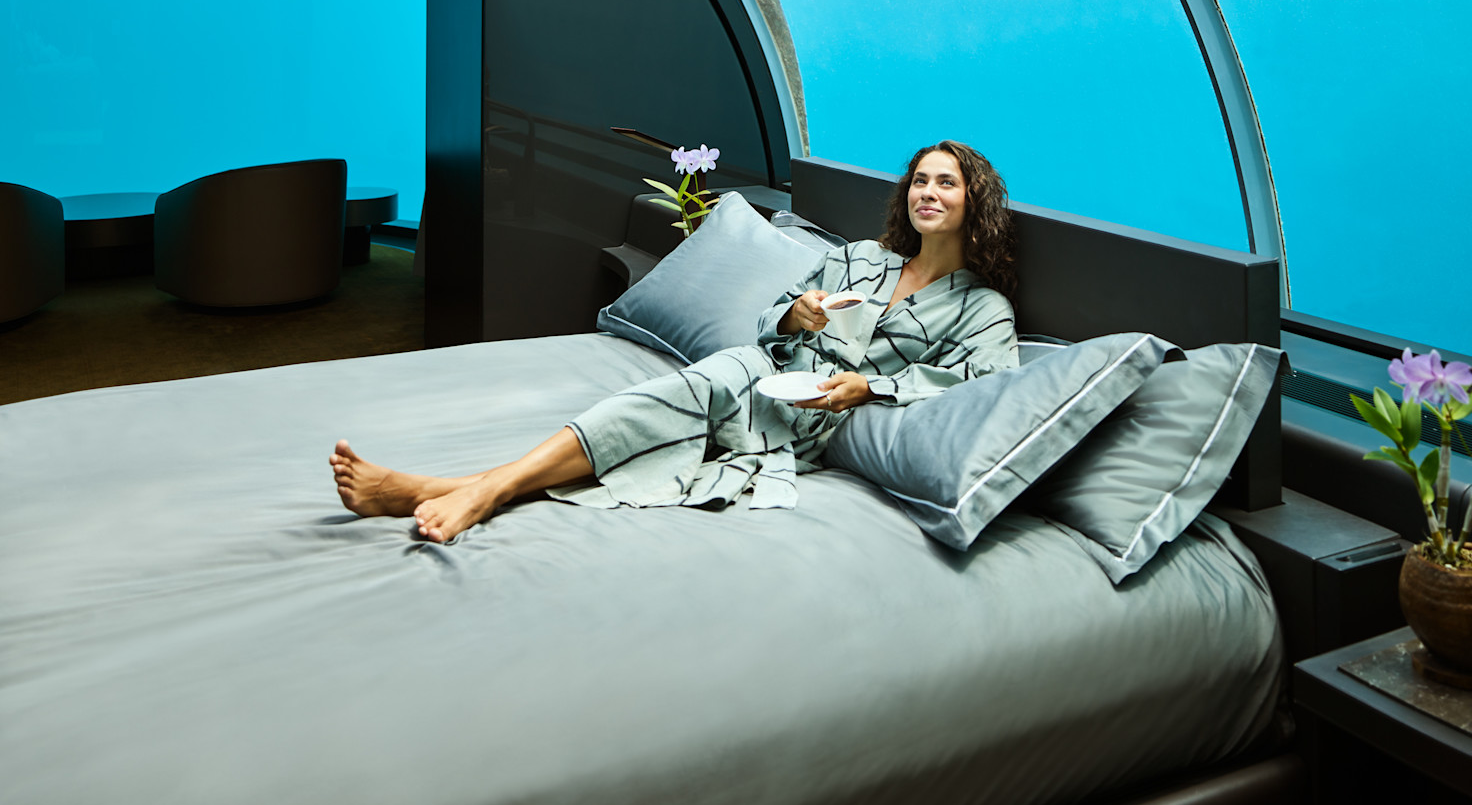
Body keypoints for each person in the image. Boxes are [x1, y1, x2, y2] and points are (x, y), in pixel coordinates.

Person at [329, 140, 1019, 543]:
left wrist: (872, 385)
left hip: (815, 417)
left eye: (946, 183)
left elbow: (983, 388)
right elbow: (770, 313)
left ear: (973, 202)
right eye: (920, 181)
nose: (927, 192)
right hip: (766, 368)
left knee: (669, 421)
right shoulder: (862, 256)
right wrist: (794, 315)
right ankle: (480, 488)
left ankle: (460, 489)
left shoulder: (983, 307)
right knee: (673, 392)